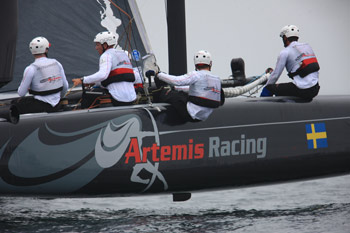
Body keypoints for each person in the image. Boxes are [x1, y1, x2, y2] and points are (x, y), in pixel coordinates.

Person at [147, 50, 222, 122]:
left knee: (168, 94)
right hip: (203, 116)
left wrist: (158, 74)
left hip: (190, 113)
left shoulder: (196, 75)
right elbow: (197, 90)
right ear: (210, 63)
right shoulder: (216, 79)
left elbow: (177, 81)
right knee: (179, 93)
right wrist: (176, 88)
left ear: (195, 64)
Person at [72, 31, 136, 108]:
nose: (96, 48)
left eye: (97, 45)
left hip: (118, 98)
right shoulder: (124, 54)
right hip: (132, 97)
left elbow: (103, 75)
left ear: (105, 45)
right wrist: (93, 83)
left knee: (87, 95)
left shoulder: (106, 55)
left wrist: (82, 80)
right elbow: (114, 76)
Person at [261, 25, 320, 101]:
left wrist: (266, 86)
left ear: (285, 37)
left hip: (303, 90)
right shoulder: (307, 47)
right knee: (285, 88)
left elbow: (275, 75)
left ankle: (261, 108)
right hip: (315, 89)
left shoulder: (285, 52)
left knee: (268, 88)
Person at [12, 36, 68, 114]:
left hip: (41, 106)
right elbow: (65, 86)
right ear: (46, 49)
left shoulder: (30, 69)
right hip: (57, 104)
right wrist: (59, 98)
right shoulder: (57, 63)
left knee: (14, 103)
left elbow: (21, 93)